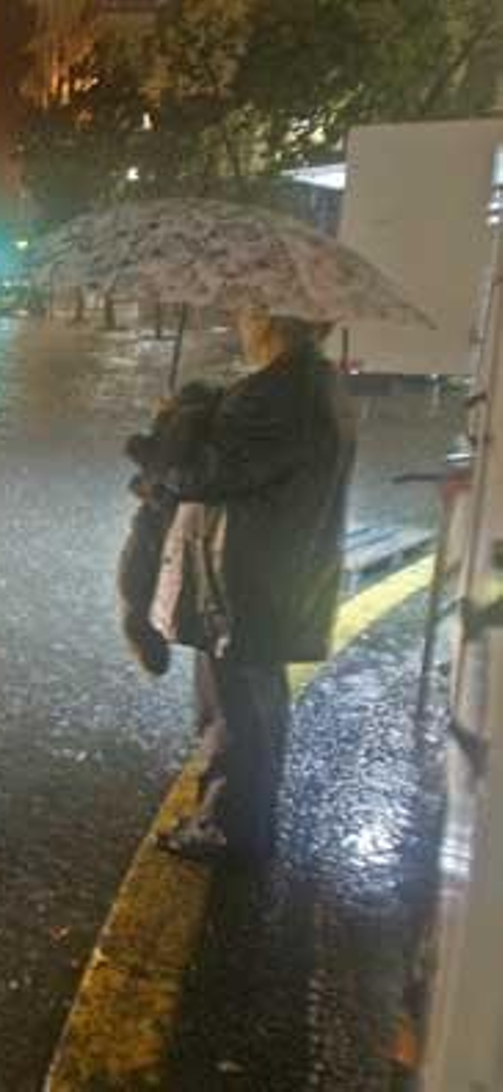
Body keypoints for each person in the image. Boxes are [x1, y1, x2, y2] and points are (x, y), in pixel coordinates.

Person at [151, 307, 357, 865]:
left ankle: (226, 827)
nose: (241, 323)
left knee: (233, 709)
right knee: (257, 701)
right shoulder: (318, 385)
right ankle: (246, 821)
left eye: (248, 312)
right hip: (269, 572)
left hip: (238, 577)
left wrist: (172, 430)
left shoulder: (274, 394)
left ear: (271, 323)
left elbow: (200, 475)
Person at [118, 381, 224, 676]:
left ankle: (155, 647)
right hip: (171, 522)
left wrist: (149, 444)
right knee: (139, 590)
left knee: (135, 589)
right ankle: (159, 641)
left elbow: (168, 472)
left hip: (162, 522)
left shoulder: (186, 424)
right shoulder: (208, 425)